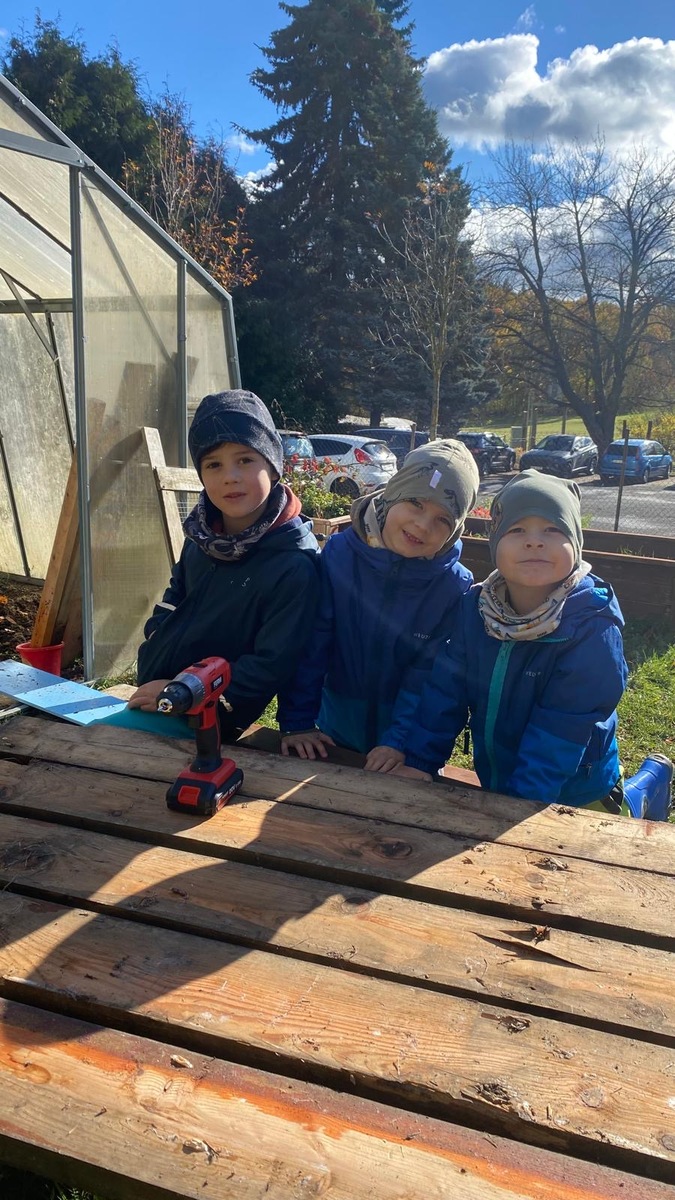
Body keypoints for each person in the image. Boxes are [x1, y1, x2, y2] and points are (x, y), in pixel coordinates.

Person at [387, 469, 629, 811]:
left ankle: (652, 781)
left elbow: (562, 726)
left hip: (576, 792)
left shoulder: (591, 626)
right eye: (517, 530)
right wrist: (421, 760)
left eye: (553, 529)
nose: (534, 541)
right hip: (500, 780)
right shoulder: (476, 609)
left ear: (575, 544)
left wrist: (521, 801)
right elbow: (445, 690)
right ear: (495, 543)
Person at [128, 389, 320, 738]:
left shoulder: (294, 564)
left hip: (211, 718)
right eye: (213, 464)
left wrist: (182, 692)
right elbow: (175, 595)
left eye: (245, 459)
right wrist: (157, 635)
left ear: (273, 467)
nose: (230, 476)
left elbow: (271, 663)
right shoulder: (201, 537)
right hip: (157, 695)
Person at [277, 439, 480, 769]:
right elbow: (313, 642)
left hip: (405, 746)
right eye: (415, 503)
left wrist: (401, 743)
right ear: (392, 495)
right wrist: (298, 721)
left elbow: (432, 676)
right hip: (334, 728)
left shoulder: (453, 586)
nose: (423, 524)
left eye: (443, 519)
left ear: (455, 531)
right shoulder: (340, 555)